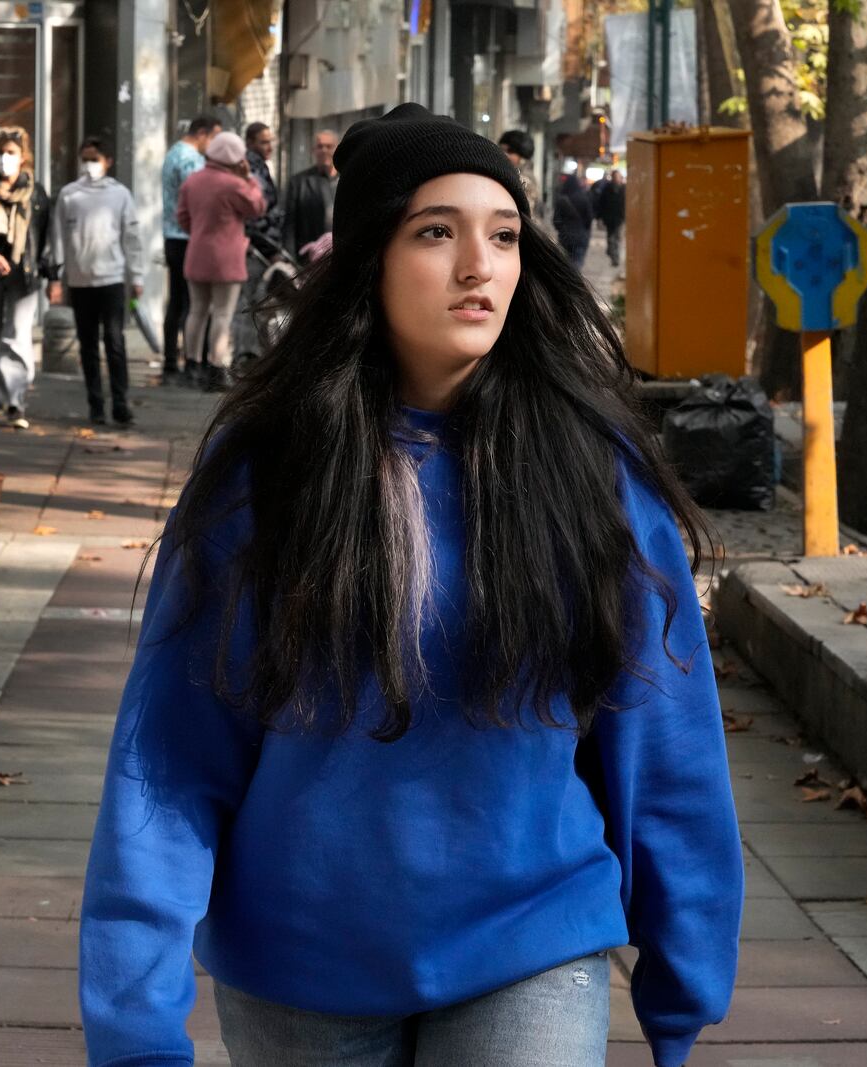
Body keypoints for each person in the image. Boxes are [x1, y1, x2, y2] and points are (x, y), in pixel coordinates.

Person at [80, 102, 741, 1067]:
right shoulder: (268, 471)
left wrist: (683, 977)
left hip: (533, 935)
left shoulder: (591, 471)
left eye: (505, 235)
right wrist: (135, 1018)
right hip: (300, 962)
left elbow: (666, 734)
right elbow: (172, 757)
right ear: (368, 260)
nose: (481, 266)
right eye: (438, 232)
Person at [49, 137, 144, 428]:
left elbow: (132, 238)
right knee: (88, 345)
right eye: (85, 158)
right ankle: (95, 406)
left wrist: (136, 275)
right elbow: (58, 239)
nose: (90, 164)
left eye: (95, 158)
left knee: (114, 342)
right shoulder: (69, 195)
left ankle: (120, 402)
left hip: (112, 279)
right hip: (79, 282)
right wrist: (56, 277)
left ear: (108, 161)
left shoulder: (120, 195)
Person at [0, 126, 51, 429]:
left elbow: (45, 236)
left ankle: (15, 400)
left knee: (17, 334)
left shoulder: (36, 194)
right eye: (0, 153)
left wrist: (48, 272)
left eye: (11, 153)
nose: (5, 159)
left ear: (23, 158)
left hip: (23, 274)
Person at [176, 131, 265, 392]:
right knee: (223, 314)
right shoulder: (234, 184)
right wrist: (248, 177)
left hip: (196, 253)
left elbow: (182, 217)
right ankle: (216, 368)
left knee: (197, 311)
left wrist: (199, 232)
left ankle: (191, 364)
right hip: (227, 258)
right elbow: (257, 207)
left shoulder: (193, 181)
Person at [161, 114, 224, 385]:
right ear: (202, 133)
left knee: (179, 301)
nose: (214, 144)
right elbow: (200, 198)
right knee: (194, 304)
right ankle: (188, 361)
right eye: (213, 138)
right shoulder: (190, 160)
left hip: (174, 235)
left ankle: (171, 362)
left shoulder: (174, 152)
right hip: (188, 237)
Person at [282, 128, 338, 258]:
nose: (324, 150)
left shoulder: (349, 180)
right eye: (320, 146)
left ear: (337, 149)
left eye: (329, 146)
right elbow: (289, 224)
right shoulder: (298, 183)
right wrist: (290, 257)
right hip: (310, 255)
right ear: (313, 150)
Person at [243, 122, 283, 253]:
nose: (270, 148)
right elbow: (255, 211)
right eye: (264, 143)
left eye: (270, 142)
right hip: (260, 243)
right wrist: (268, 248)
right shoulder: (250, 167)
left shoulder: (259, 165)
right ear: (250, 143)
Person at [554, 170, 595, 268]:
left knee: (565, 262)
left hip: (565, 236)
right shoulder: (584, 198)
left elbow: (556, 220)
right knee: (577, 261)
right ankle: (575, 280)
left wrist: (562, 229)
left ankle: (567, 280)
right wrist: (584, 228)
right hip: (580, 235)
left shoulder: (562, 199)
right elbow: (589, 218)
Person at [497, 127, 541, 218]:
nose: (504, 154)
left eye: (510, 151)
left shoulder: (524, 179)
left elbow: (525, 217)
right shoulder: (508, 172)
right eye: (501, 149)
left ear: (522, 155)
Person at [594, 166, 627, 268]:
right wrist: (599, 216)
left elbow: (626, 204)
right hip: (609, 218)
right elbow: (601, 203)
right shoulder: (607, 189)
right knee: (610, 237)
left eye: (619, 177)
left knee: (617, 238)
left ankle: (615, 258)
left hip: (619, 218)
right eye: (616, 176)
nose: (618, 178)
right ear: (613, 177)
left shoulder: (624, 189)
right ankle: (611, 252)